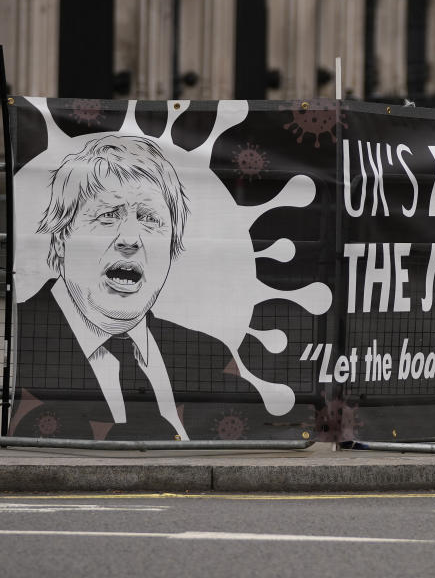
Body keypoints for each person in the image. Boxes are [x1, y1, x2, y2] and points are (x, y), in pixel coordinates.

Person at [12, 135, 259, 440]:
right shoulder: (13, 345)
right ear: (62, 239)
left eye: (148, 219)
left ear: (172, 246)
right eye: (108, 215)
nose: (130, 238)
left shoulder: (211, 357)